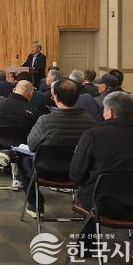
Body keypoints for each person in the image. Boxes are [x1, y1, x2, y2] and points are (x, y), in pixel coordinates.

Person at [70, 91, 133, 240]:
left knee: (91, 192)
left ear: (111, 112)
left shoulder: (93, 136)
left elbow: (76, 174)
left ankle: (86, 243)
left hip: (98, 206)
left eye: (104, 109)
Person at [18, 78, 96, 216]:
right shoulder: (90, 121)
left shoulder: (45, 120)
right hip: (78, 172)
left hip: (46, 170)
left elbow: (31, 145)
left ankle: (36, 205)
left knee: (22, 161)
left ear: (56, 98)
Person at [0, 80, 36, 189]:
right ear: (31, 94)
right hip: (22, 147)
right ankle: (19, 178)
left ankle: (5, 154)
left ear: (14, 90)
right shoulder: (33, 111)